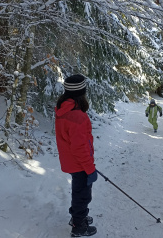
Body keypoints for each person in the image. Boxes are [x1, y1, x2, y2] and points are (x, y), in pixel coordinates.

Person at [55, 74, 97, 237]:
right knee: (83, 195)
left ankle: (78, 217)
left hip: (72, 161)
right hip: (80, 163)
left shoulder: (64, 109)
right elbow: (80, 147)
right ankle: (78, 225)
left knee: (78, 191)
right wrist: (90, 168)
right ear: (81, 92)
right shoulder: (77, 116)